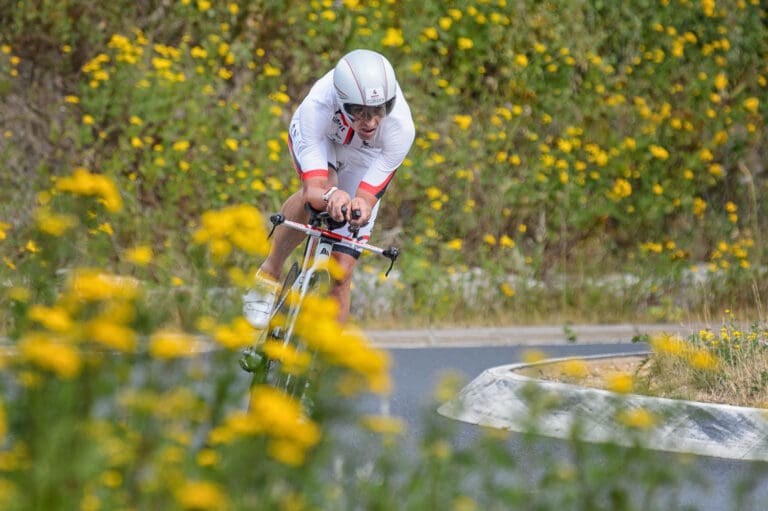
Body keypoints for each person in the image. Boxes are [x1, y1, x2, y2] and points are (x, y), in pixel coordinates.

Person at [242, 48, 415, 328]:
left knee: (342, 272)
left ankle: (326, 361)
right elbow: (315, 187)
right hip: (322, 138)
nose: (369, 121)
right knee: (319, 198)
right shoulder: (318, 105)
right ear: (342, 102)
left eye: (378, 111)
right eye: (359, 111)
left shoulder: (400, 128)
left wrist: (361, 204)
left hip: (366, 156)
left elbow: (368, 196)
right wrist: (332, 194)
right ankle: (269, 273)